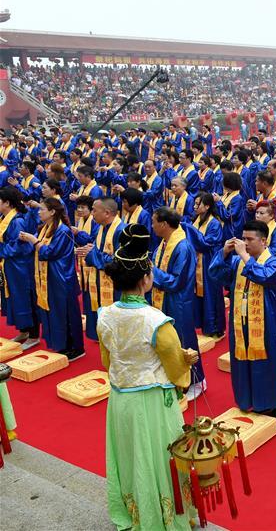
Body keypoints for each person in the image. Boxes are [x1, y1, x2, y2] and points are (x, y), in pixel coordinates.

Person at [97, 224, 199, 531]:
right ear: (146, 279)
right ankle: (166, 518)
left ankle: (135, 513)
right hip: (152, 401)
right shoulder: (156, 320)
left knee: (130, 458)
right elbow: (173, 363)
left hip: (120, 398)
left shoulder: (104, 315)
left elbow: (107, 358)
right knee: (158, 459)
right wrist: (187, 361)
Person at [209, 219, 276, 421]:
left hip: (266, 323)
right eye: (243, 238)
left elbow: (265, 277)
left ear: (263, 241)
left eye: (249, 239)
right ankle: (249, 399)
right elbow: (216, 274)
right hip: (240, 319)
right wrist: (224, 254)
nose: (245, 243)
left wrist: (243, 255)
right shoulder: (237, 262)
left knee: (266, 363)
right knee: (243, 361)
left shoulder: (274, 262)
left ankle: (274, 405)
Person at [18, 198, 83, 358]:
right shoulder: (46, 227)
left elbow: (48, 253)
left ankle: (74, 348)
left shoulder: (63, 231)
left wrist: (33, 241)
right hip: (49, 278)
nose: (39, 212)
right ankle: (59, 344)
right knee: (53, 312)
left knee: (65, 313)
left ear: (52, 212)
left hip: (62, 278)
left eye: (42, 209)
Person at [151, 207, 204, 400]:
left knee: (184, 340)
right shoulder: (164, 242)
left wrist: (151, 271)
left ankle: (197, 381)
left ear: (164, 224)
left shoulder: (182, 246)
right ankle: (176, 377)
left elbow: (176, 281)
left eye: (154, 221)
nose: (152, 226)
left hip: (179, 302)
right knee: (169, 342)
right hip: (165, 300)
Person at [79, 197, 125, 342]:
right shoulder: (102, 227)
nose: (92, 213)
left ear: (106, 213)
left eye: (94, 210)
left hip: (116, 283)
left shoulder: (121, 230)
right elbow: (99, 250)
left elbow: (120, 261)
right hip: (99, 278)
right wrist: (91, 250)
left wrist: (92, 254)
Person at [0, 187, 39, 350]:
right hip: (10, 265)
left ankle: (34, 335)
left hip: (21, 266)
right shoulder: (4, 218)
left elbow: (19, 247)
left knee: (25, 298)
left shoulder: (17, 221)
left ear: (7, 203)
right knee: (14, 298)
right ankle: (23, 331)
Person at [184, 192, 225, 339]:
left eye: (197, 204)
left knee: (211, 295)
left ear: (207, 206)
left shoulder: (214, 223)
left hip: (209, 263)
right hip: (197, 262)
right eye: (194, 204)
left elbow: (207, 243)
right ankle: (203, 324)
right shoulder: (197, 219)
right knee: (199, 295)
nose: (194, 207)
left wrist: (190, 230)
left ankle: (215, 328)